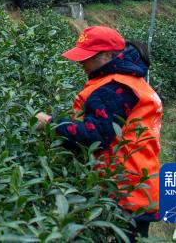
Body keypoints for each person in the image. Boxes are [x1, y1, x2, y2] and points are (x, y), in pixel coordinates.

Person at [36, 27, 161, 241]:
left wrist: (50, 124)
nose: (81, 63)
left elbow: (94, 136)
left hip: (121, 194)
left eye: (87, 57)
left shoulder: (115, 88)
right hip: (139, 187)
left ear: (107, 57)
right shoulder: (131, 81)